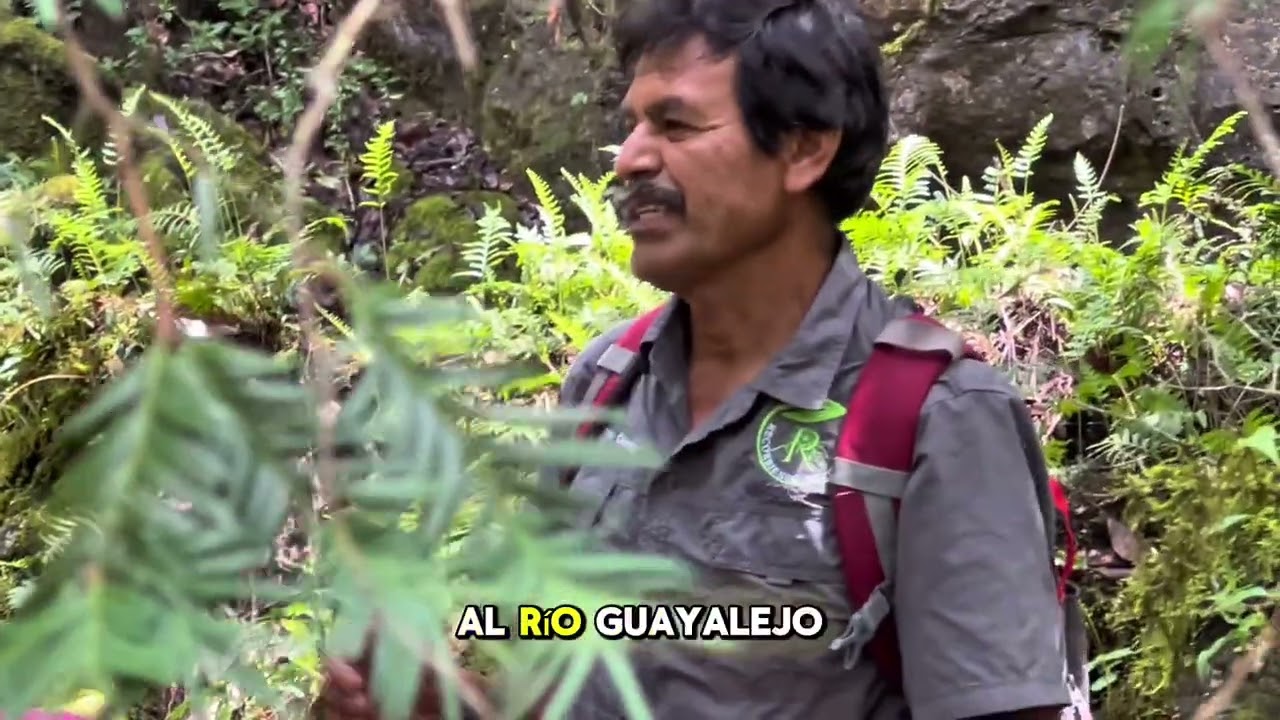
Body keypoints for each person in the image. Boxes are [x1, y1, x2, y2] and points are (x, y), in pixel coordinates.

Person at [318, 0, 1079, 718]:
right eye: (634, 125)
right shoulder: (606, 385)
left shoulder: (934, 421)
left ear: (805, 148)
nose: (630, 161)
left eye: (676, 125)